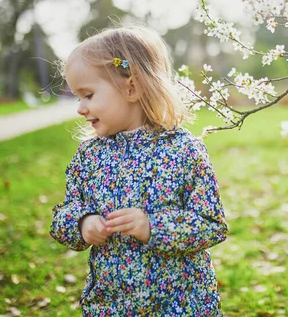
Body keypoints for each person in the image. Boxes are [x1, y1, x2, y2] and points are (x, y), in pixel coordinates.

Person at [49, 26, 228, 316]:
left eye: (88, 95)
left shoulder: (184, 151)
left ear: (131, 87)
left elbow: (211, 224)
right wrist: (82, 223)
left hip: (180, 304)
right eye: (77, 97)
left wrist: (154, 227)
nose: (80, 108)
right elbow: (63, 214)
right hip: (112, 305)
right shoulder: (89, 157)